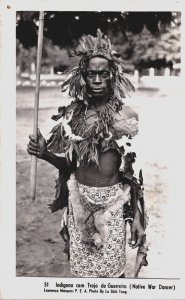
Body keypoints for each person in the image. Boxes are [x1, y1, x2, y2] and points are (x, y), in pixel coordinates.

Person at [27, 29, 148, 278]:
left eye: (103, 74)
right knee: (83, 278)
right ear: (81, 77)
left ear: (113, 77)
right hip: (79, 204)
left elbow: (133, 177)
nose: (96, 80)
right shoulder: (73, 116)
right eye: (91, 74)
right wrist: (44, 153)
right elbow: (70, 166)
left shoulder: (126, 117)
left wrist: (137, 218)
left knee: (114, 275)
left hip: (112, 208)